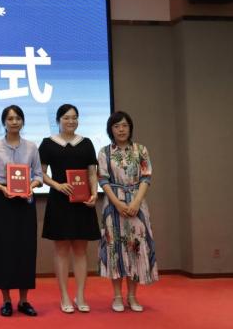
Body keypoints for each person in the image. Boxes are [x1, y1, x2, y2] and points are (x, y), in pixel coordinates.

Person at [39, 104, 100, 313]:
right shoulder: (48, 143)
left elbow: (92, 173)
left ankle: (80, 295)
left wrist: (94, 194)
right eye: (66, 117)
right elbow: (41, 173)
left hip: (82, 202)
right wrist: (57, 185)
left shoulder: (86, 143)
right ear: (58, 120)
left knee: (81, 251)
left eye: (74, 117)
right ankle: (64, 295)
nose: (71, 121)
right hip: (59, 201)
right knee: (62, 250)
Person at [0, 105, 43, 317]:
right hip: (3, 200)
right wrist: (2, 188)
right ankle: (6, 300)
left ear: (23, 121)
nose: (14, 122)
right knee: (3, 249)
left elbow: (38, 175)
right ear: (4, 122)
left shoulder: (31, 147)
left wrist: (30, 186)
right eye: (10, 118)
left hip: (25, 202)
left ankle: (24, 300)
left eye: (18, 118)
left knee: (25, 249)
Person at [98, 111, 158, 312]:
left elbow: (146, 177)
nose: (121, 129)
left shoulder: (141, 150)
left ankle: (132, 296)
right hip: (113, 205)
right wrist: (117, 203)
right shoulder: (104, 152)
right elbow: (103, 180)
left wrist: (136, 203)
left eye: (124, 125)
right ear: (110, 130)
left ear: (130, 128)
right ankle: (117, 296)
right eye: (116, 126)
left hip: (137, 204)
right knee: (114, 249)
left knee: (135, 248)